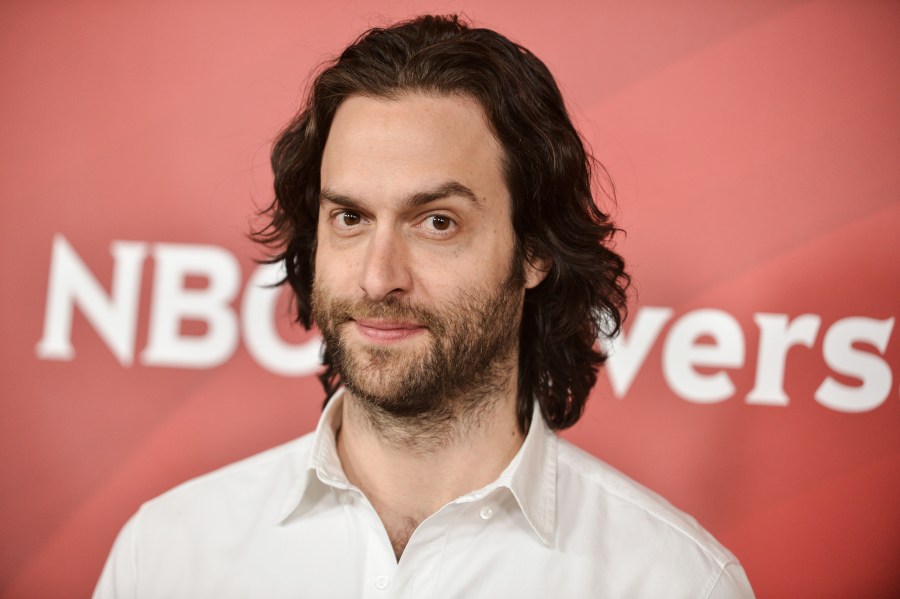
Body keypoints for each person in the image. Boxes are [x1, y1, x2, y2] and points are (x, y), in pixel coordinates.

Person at [94, 14, 753, 598]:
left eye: (437, 222)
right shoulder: (168, 553)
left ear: (534, 251)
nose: (379, 277)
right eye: (349, 216)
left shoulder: (674, 581)